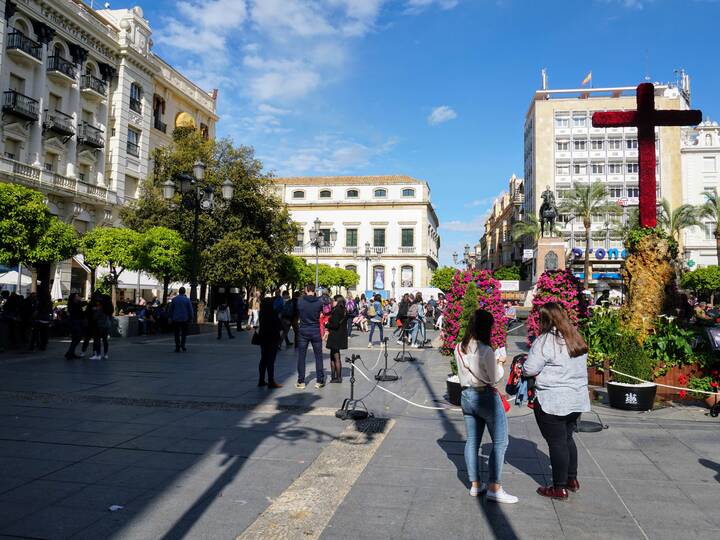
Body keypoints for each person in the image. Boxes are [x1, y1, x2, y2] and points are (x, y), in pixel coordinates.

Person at [523, 302, 591, 500]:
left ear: (546, 319)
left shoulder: (545, 341)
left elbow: (530, 369)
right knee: (568, 438)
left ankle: (559, 487)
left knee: (557, 442)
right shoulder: (575, 337)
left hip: (553, 400)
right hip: (576, 399)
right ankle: (572, 479)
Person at [455, 309, 517, 504]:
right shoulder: (486, 350)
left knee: (472, 441)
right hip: (485, 397)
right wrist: (500, 362)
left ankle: (475, 485)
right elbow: (494, 377)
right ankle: (494, 487)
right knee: (500, 441)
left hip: (466, 395)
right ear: (485, 328)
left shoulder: (459, 347)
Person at [296, 283, 325, 389]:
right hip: (315, 330)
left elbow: (297, 312)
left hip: (303, 330)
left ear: (307, 289)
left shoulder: (300, 301)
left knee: (301, 357)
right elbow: (324, 312)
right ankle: (320, 380)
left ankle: (301, 381)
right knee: (318, 356)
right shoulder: (319, 302)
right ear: (314, 290)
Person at [257, 297, 283, 388]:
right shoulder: (273, 314)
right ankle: (271, 381)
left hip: (263, 338)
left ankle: (261, 380)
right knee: (271, 360)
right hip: (272, 339)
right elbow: (280, 326)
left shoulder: (262, 313)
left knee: (263, 359)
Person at [325, 295, 348, 383]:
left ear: (337, 301)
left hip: (335, 335)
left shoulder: (337, 310)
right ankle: (334, 376)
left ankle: (337, 377)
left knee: (335, 357)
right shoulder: (344, 310)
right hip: (341, 335)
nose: (331, 302)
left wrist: (327, 325)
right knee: (334, 355)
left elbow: (335, 325)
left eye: (333, 301)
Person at [89, 294, 113, 360]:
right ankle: (105, 354)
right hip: (107, 325)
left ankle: (98, 355)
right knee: (105, 340)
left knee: (97, 340)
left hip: (99, 325)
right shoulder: (109, 306)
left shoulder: (101, 307)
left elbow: (95, 317)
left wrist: (95, 311)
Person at [169, 287, 193, 352]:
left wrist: (170, 317)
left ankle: (177, 346)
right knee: (184, 333)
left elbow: (171, 309)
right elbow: (190, 310)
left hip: (176, 318)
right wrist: (191, 317)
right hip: (184, 318)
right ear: (184, 292)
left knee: (176, 333)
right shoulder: (187, 300)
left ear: (179, 292)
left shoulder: (174, 299)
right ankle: (183, 345)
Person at [65, 293, 86, 360]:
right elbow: (83, 304)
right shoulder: (73, 304)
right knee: (77, 337)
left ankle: (71, 353)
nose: (78, 297)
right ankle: (69, 353)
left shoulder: (76, 303)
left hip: (76, 322)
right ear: (73, 298)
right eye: (77, 296)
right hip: (75, 322)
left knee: (75, 338)